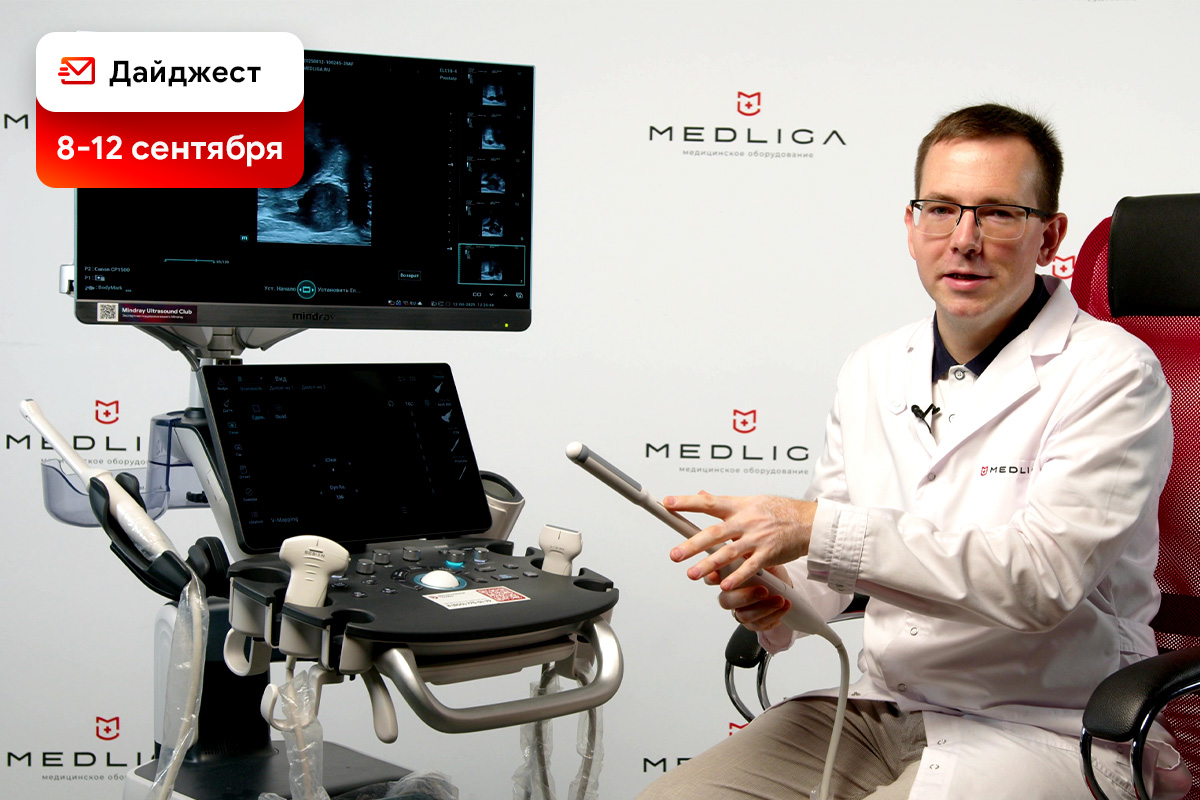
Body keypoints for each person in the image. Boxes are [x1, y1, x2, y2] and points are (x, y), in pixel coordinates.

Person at [637, 104, 1188, 800]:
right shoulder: (873, 367)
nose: (964, 240)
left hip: (1051, 723)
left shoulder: (1113, 372)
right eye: (941, 210)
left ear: (1049, 236)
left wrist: (814, 528)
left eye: (998, 213)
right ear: (911, 225)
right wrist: (777, 591)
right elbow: (834, 572)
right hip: (882, 705)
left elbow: (1041, 582)